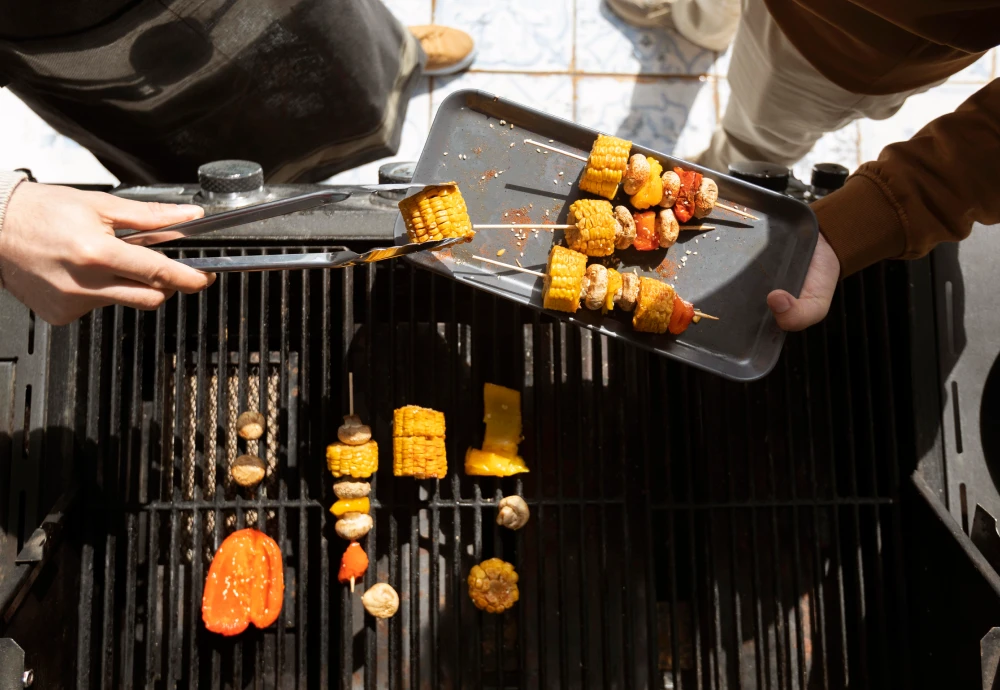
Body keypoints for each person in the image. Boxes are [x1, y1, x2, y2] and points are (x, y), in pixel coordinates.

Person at [0, 0, 475, 325]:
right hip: (68, 31)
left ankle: (393, 58)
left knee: (343, 53)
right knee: (181, 138)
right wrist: (5, 216)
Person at [607, 0, 1000, 331]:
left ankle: (709, 181)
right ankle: (699, 20)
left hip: (839, 34)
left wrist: (884, 208)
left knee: (753, 137)